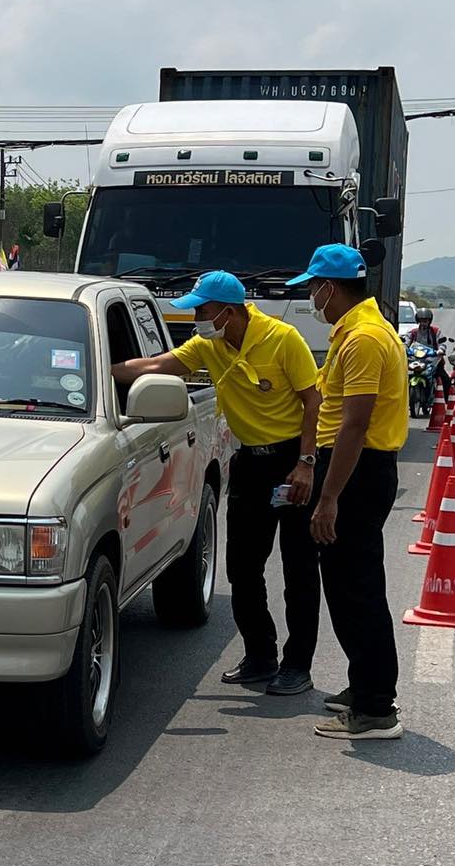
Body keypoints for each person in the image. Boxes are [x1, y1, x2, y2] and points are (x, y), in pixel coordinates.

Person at [112, 270, 323, 695]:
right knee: (243, 568)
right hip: (250, 463)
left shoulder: (284, 339)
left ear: (229, 311)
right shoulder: (210, 344)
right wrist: (94, 368)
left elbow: (312, 400)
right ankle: (260, 656)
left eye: (202, 311)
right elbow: (155, 365)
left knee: (299, 569)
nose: (197, 320)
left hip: (290, 462)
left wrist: (305, 463)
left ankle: (297, 665)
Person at [288, 245, 407, 740]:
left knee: (356, 590)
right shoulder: (357, 332)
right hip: (357, 469)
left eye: (313, 288)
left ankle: (376, 708)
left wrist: (330, 496)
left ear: (330, 288)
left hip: (359, 472)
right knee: (347, 586)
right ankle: (365, 689)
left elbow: (356, 424)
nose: (312, 298)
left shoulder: (363, 339)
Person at [406, 307, 451, 401]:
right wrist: (403, 348)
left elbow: (442, 342)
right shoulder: (413, 332)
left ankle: (448, 402)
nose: (423, 323)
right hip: (415, 360)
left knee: (445, 379)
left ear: (429, 321)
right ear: (418, 321)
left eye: (425, 320)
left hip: (432, 360)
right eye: (421, 320)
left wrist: (441, 350)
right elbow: (406, 342)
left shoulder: (435, 331)